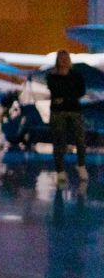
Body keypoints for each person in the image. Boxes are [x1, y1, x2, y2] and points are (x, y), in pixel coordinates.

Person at [46, 50, 87, 186]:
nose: (64, 61)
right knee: (59, 142)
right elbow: (56, 90)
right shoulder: (52, 76)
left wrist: (64, 97)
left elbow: (81, 91)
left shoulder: (77, 76)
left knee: (80, 140)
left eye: (66, 59)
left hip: (74, 111)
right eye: (61, 59)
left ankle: (81, 165)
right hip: (58, 112)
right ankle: (60, 171)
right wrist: (69, 94)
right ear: (58, 61)